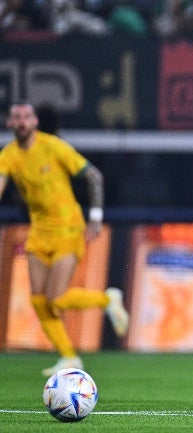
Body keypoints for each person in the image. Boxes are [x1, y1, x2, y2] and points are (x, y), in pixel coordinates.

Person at [0, 102, 129, 376]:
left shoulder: (53, 147)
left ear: (34, 122)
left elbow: (94, 176)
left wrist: (95, 217)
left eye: (26, 117)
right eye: (16, 118)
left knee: (56, 299)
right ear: (10, 124)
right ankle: (69, 357)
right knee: (38, 300)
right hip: (39, 232)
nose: (21, 122)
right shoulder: (8, 155)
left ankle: (107, 301)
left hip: (69, 229)